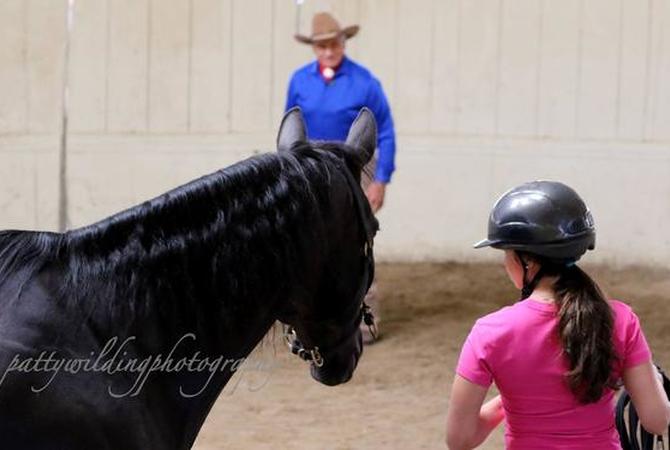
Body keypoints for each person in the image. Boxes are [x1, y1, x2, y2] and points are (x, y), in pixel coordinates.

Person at [445, 181, 670, 450]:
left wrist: (513, 400)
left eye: (507, 253)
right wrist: (653, 381)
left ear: (526, 261)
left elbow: (460, 440)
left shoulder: (490, 331)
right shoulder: (620, 319)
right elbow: (657, 421)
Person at [286, 12, 397, 343]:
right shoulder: (299, 80)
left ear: (343, 43)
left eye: (333, 44)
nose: (328, 51)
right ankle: (310, 320)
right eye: (321, 46)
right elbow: (291, 124)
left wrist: (379, 179)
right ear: (314, 49)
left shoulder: (365, 82)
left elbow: (386, 131)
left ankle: (365, 320)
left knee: (356, 242)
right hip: (312, 167)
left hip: (354, 165)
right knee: (309, 243)